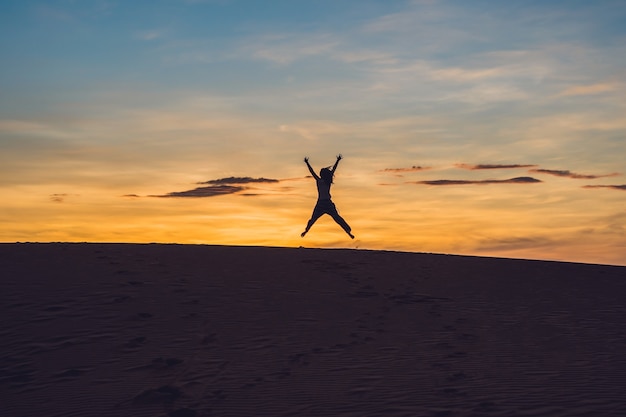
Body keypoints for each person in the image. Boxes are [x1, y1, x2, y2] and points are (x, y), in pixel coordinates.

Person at [301, 154, 354, 239]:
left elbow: (332, 170)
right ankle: (306, 231)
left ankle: (348, 232)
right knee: (315, 219)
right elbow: (313, 172)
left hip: (326, 203)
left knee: (336, 218)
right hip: (322, 203)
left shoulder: (324, 181)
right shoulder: (320, 180)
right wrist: (307, 163)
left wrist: (337, 161)